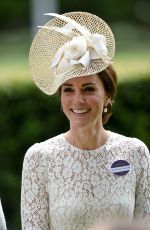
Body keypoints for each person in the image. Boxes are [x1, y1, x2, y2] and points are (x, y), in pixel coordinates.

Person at [21, 12, 150, 230]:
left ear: (108, 95)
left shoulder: (135, 152)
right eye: (68, 90)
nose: (78, 100)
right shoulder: (39, 158)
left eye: (88, 89)